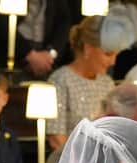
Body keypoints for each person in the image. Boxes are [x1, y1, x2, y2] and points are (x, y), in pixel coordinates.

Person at [46, 15, 117, 152]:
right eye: (108, 54)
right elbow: (56, 138)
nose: (113, 62)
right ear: (88, 48)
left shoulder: (107, 83)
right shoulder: (61, 80)